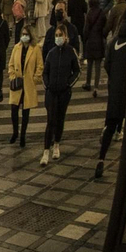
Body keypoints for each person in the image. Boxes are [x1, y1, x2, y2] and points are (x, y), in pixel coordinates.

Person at [94, 6, 126, 180]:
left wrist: (114, 79)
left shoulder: (114, 42)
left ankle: (101, 159)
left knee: (110, 125)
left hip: (114, 89)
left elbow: (107, 65)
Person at [41, 21, 80, 165]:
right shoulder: (51, 53)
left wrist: (68, 84)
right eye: (56, 35)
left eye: (60, 35)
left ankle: (56, 144)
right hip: (51, 92)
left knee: (60, 119)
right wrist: (47, 85)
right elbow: (45, 72)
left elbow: (77, 71)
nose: (58, 37)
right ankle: (46, 151)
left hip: (64, 92)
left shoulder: (71, 52)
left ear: (65, 36)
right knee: (50, 120)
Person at [7, 26, 43, 147]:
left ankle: (23, 135)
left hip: (28, 84)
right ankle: (15, 132)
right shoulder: (17, 48)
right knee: (14, 109)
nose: (24, 36)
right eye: (23, 34)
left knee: (25, 111)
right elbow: (11, 64)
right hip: (17, 83)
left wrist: (35, 79)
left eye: (26, 34)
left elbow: (40, 66)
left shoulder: (35, 49)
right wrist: (12, 76)